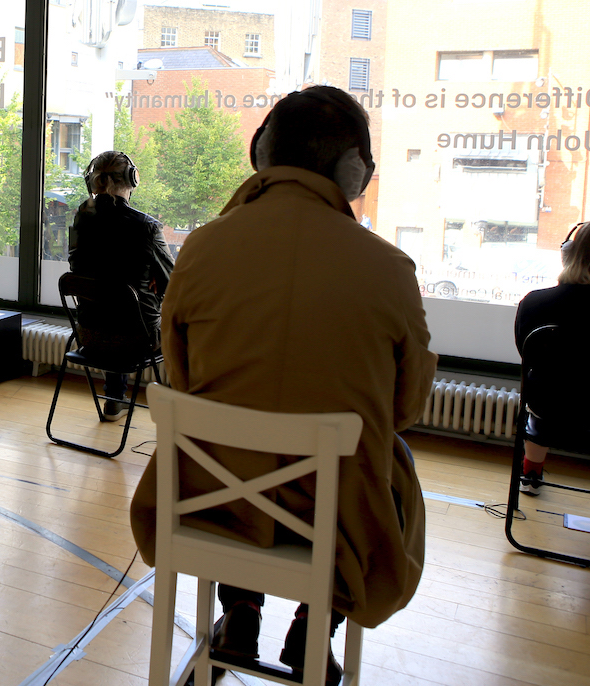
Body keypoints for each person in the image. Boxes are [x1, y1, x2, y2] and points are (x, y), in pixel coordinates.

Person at [129, 86, 434, 684]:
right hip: (338, 525)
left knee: (228, 444)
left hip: (209, 505)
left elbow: (182, 382)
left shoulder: (202, 248)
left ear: (261, 153)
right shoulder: (390, 269)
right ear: (354, 171)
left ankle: (240, 608)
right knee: (391, 459)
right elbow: (406, 409)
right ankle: (317, 623)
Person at [513, 220, 590, 518]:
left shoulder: (534, 303)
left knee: (539, 392)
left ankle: (530, 475)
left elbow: (527, 356)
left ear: (567, 255)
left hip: (550, 414)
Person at [67, 150, 173, 419]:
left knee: (113, 301)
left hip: (88, 335)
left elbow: (78, 269)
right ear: (132, 178)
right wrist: (153, 278)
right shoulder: (147, 226)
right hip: (138, 341)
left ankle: (114, 400)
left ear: (92, 180)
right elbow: (174, 282)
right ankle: (185, 410)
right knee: (136, 311)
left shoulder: (81, 219)